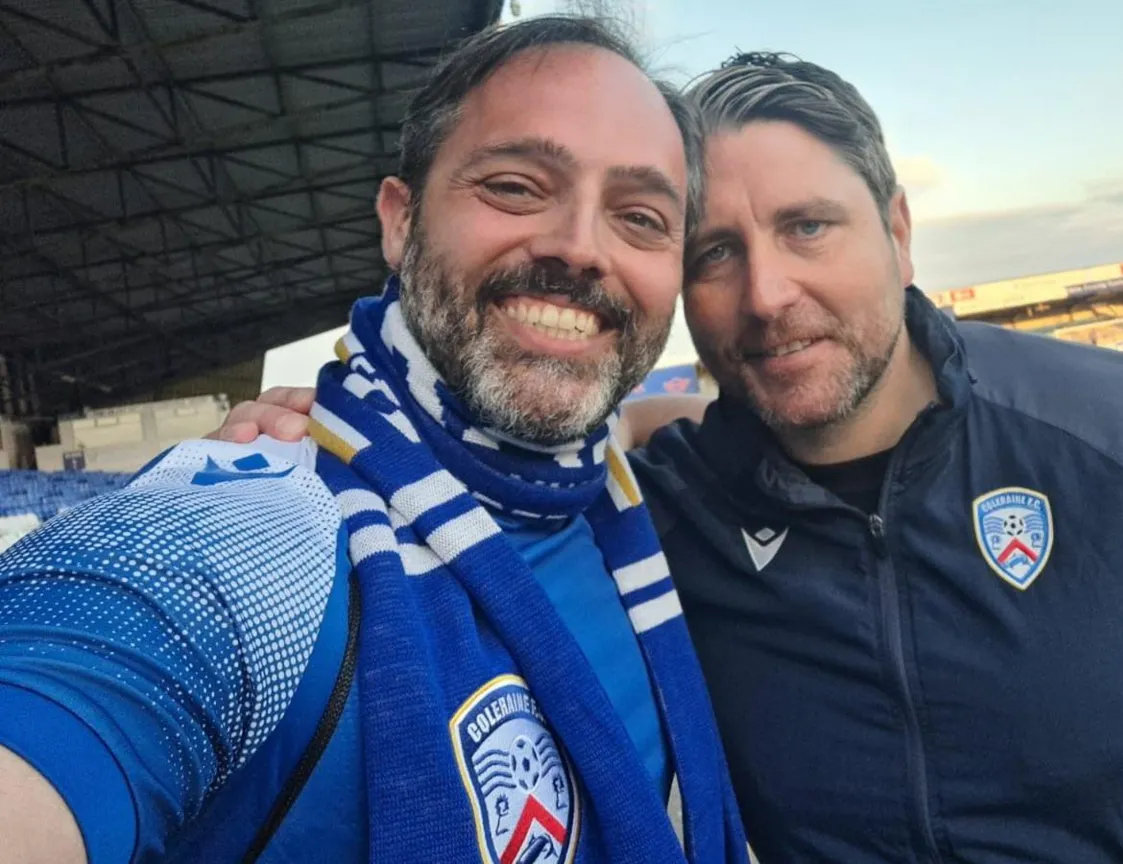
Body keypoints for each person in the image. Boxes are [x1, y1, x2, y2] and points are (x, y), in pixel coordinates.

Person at [222, 52, 1123, 863]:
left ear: (895, 226)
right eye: (716, 251)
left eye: (808, 228)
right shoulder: (667, 513)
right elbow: (526, 453)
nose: (768, 295)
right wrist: (325, 429)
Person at [0, 17, 748, 864]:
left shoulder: (625, 508)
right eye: (514, 185)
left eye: (642, 217)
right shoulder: (258, 532)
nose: (580, 247)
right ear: (399, 222)